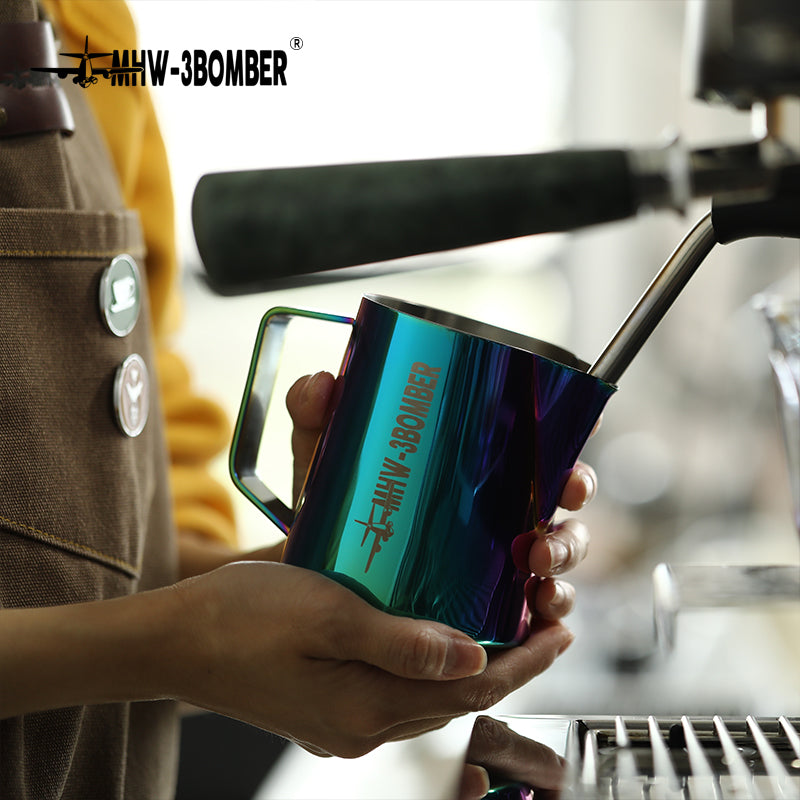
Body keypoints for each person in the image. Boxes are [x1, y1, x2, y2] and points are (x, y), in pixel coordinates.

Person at [0, 1, 598, 798]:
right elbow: (143, 625)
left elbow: (102, 553)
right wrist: (181, 644)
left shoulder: (90, 31)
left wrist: (331, 590)